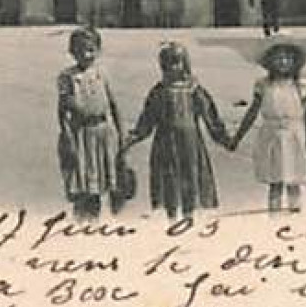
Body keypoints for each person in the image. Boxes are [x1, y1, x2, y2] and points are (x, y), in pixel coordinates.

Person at [125, 40, 232, 222]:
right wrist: (134, 137)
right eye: (168, 64)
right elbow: (148, 118)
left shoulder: (194, 90)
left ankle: (189, 215)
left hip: (190, 144)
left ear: (185, 64)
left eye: (177, 62)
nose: (173, 68)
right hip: (165, 143)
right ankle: (171, 217)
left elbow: (210, 116)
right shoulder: (159, 91)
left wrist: (223, 138)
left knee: (190, 177)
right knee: (169, 179)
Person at [230, 40, 306, 212]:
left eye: (287, 58)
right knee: (275, 180)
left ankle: (295, 213)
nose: (283, 62)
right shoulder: (263, 85)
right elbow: (252, 112)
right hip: (271, 135)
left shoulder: (299, 85)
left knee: (294, 179)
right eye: (278, 58)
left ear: (294, 61)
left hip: (294, 134)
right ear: (269, 61)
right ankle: (274, 216)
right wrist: (238, 137)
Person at [56, 27, 124, 220]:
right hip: (81, 134)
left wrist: (121, 135)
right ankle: (84, 221)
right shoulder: (68, 78)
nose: (86, 55)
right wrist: (68, 136)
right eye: (80, 51)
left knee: (105, 181)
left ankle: (101, 221)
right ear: (72, 52)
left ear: (98, 50)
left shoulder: (102, 74)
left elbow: (113, 105)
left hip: (103, 132)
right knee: (85, 184)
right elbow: (62, 111)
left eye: (91, 50)